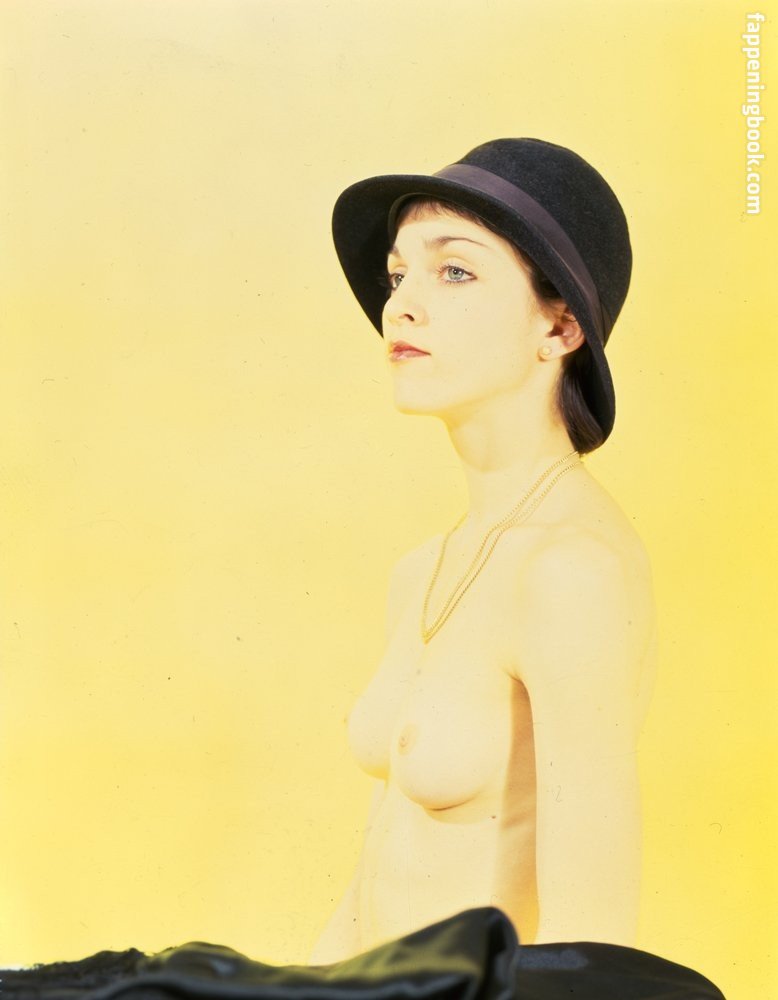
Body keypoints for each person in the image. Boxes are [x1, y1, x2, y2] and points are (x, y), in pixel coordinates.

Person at [310, 138, 658, 964]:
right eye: (398, 275)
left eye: (455, 271)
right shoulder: (424, 570)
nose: (401, 306)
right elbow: (370, 889)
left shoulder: (572, 570)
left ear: (559, 325)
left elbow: (591, 944)